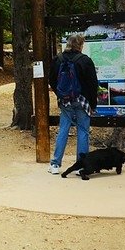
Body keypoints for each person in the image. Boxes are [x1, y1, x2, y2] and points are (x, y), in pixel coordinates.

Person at [48, 33, 98, 174]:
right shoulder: (85, 60)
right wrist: (93, 105)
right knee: (83, 131)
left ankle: (55, 165)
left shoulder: (58, 59)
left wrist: (61, 95)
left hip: (65, 102)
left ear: (68, 43)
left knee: (63, 130)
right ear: (81, 45)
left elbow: (51, 80)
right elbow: (93, 84)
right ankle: (81, 165)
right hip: (82, 101)